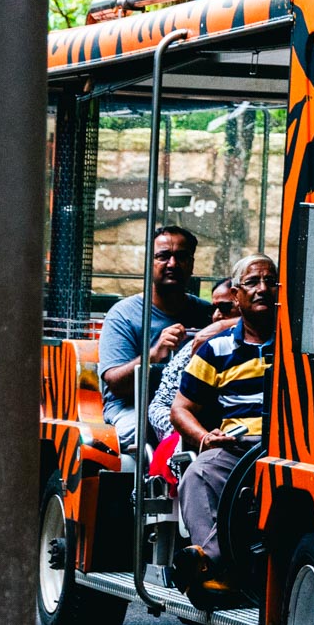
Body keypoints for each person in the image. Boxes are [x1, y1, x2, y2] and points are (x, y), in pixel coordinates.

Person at [170, 255, 277, 594]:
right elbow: (180, 408)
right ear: (236, 294)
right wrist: (203, 437)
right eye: (252, 283)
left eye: (269, 281)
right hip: (237, 449)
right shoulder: (215, 349)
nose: (262, 289)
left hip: (290, 446)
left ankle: (209, 561)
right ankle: (211, 566)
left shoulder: (300, 342)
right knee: (199, 474)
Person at [98, 226, 213, 452]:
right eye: (163, 256)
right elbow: (116, 384)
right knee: (153, 433)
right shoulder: (123, 314)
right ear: (149, 262)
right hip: (133, 408)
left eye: (180, 257)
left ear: (191, 264)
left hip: (192, 406)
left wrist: (220, 325)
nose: (172, 264)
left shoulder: (206, 313)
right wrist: (153, 354)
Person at [146, 279, 237, 444]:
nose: (216, 316)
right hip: (185, 426)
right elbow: (164, 406)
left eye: (224, 308)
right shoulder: (203, 345)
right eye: (213, 309)